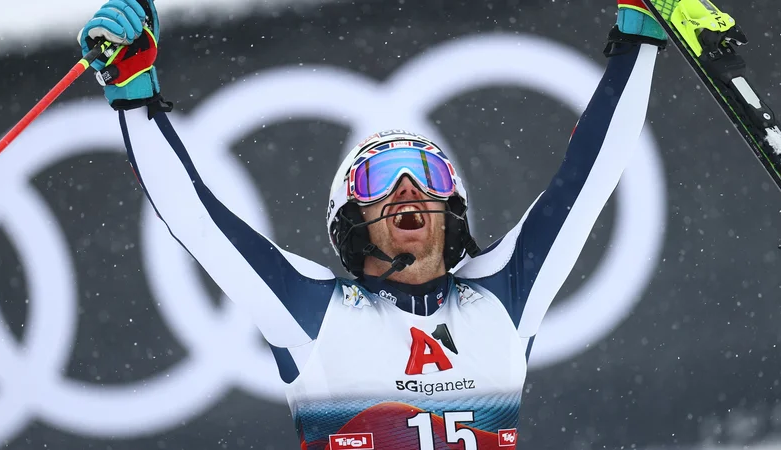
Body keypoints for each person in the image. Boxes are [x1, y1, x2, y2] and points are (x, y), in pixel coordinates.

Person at [78, 0, 671, 448]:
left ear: (455, 211)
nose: (407, 188)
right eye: (378, 180)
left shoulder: (504, 299)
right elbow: (196, 218)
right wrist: (134, 93)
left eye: (428, 175)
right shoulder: (314, 313)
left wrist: (639, 37)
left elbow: (591, 175)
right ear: (350, 223)